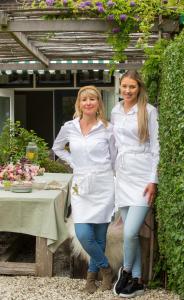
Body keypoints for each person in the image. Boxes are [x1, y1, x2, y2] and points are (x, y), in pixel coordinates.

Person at [52, 85, 116, 294]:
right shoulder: (69, 127)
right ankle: (107, 270)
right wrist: (73, 162)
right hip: (81, 185)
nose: (88, 103)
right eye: (84, 99)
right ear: (78, 104)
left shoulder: (108, 128)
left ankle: (90, 279)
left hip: (103, 184)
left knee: (99, 237)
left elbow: (115, 158)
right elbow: (57, 147)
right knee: (83, 233)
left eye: (92, 99)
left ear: (99, 103)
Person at [111, 70, 160, 298]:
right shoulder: (115, 110)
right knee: (130, 235)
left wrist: (153, 179)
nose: (127, 91)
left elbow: (156, 148)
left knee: (130, 232)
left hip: (142, 177)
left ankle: (126, 272)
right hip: (122, 176)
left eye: (132, 86)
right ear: (120, 87)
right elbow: (114, 145)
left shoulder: (149, 111)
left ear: (139, 87)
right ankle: (138, 282)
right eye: (124, 86)